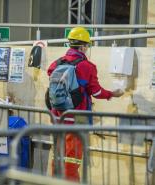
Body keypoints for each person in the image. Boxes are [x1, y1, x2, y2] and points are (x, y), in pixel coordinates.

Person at [47, 27, 124, 182]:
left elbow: (51, 77)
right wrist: (112, 94)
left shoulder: (56, 63)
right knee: (73, 157)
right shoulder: (87, 66)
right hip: (78, 118)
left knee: (58, 153)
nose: (87, 49)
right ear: (82, 46)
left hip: (57, 116)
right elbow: (96, 92)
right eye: (87, 46)